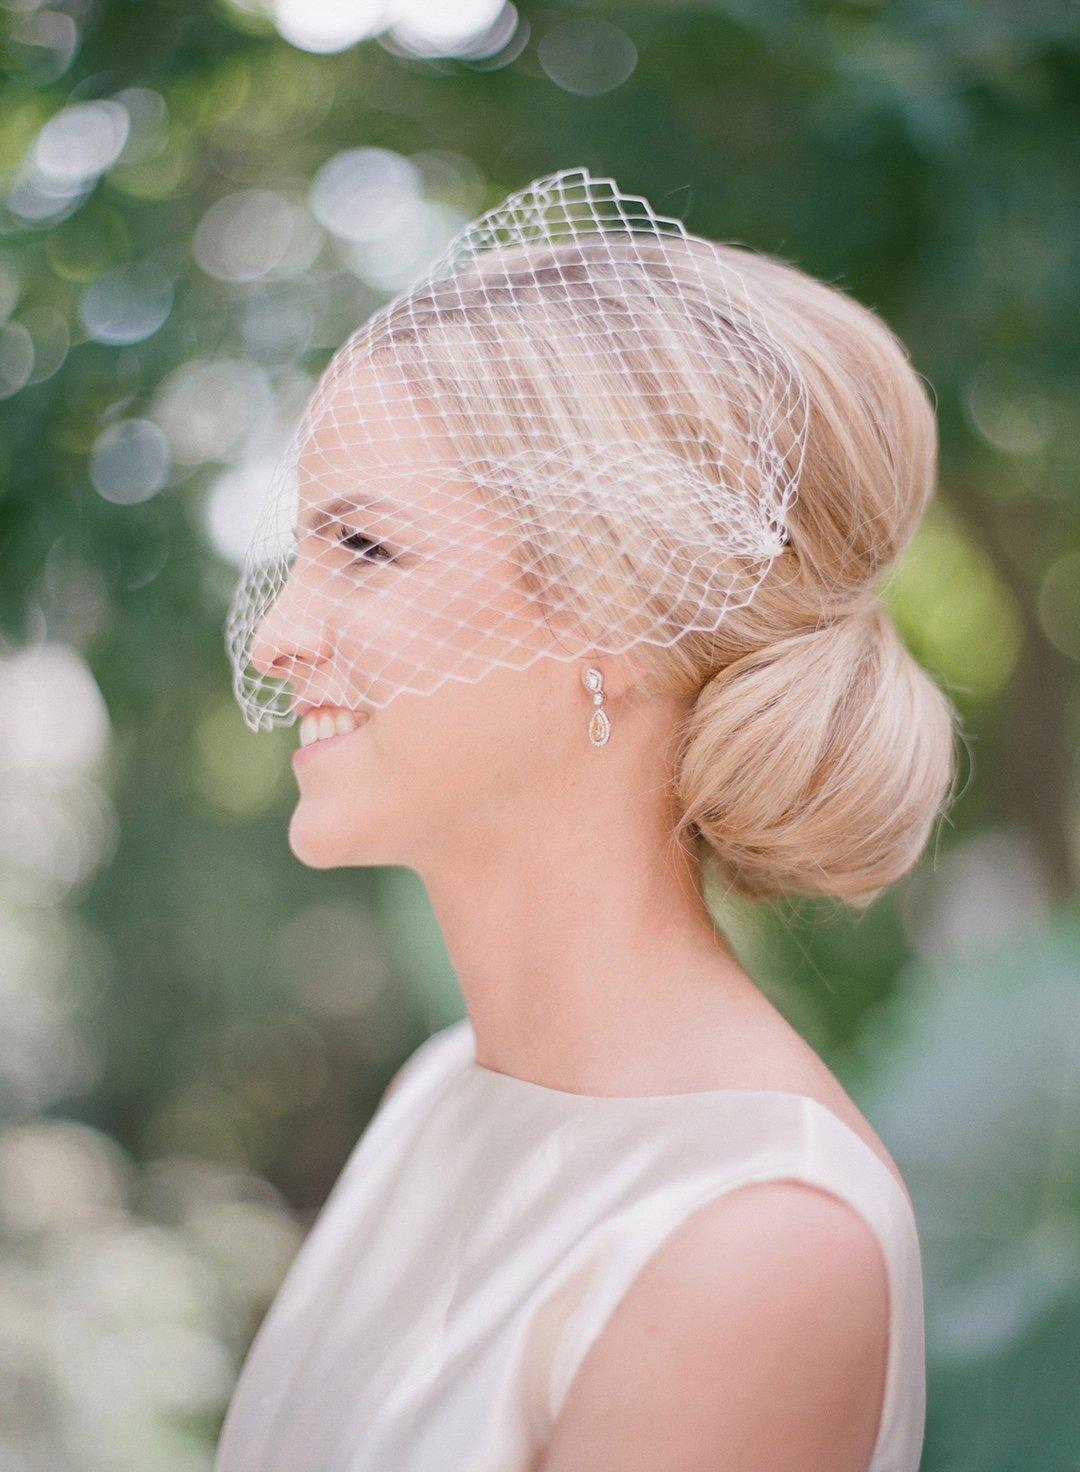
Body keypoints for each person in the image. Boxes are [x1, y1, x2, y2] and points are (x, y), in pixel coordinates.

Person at [215, 168, 958, 1472]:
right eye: (301, 553)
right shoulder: (441, 1091)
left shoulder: (755, 1242)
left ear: (620, 616)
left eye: (366, 551)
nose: (277, 637)